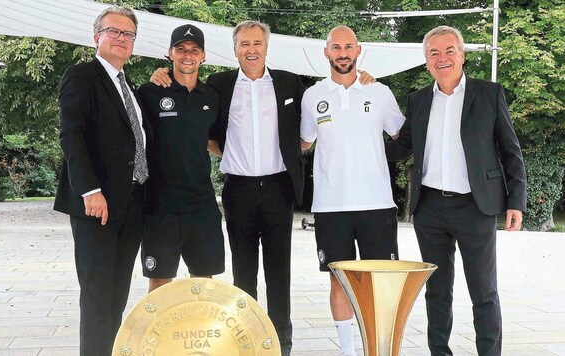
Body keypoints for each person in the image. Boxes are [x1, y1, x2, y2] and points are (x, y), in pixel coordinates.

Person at [150, 21, 374, 354]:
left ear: (266, 47)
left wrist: (362, 79)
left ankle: (282, 346)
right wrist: (161, 76)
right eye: (243, 44)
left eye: (257, 43)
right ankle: (248, 343)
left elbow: (316, 117)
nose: (251, 49)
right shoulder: (219, 85)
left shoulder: (290, 83)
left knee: (278, 273)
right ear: (235, 49)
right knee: (243, 276)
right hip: (238, 189)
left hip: (278, 188)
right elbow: (203, 132)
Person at [385, 25, 527, 356]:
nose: (442, 58)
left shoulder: (489, 94)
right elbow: (402, 147)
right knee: (436, 290)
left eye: (449, 51)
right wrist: (358, 135)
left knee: (484, 291)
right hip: (430, 208)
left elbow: (511, 151)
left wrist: (515, 201)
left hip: (476, 207)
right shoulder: (418, 100)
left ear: (462, 55)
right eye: (434, 53)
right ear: (426, 62)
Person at [300, 25, 405, 356]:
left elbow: (402, 136)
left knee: (381, 282)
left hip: (377, 203)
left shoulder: (380, 92)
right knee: (339, 281)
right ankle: (348, 352)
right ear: (326, 52)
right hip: (331, 206)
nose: (342, 53)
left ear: (358, 50)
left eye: (348, 47)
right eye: (336, 47)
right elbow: (303, 142)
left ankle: (379, 348)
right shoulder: (312, 96)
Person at [53, 5, 150, 356]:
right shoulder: (81, 75)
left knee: (116, 297)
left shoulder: (130, 86)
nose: (122, 39)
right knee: (96, 298)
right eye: (114, 31)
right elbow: (71, 136)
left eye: (129, 34)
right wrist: (90, 190)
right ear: (97, 36)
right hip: (97, 206)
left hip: (131, 206)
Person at [137, 24, 225, 293]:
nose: (188, 55)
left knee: (203, 282)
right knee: (161, 283)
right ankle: (157, 337)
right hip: (160, 206)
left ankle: (200, 335)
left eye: (194, 50)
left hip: (202, 204)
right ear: (170, 53)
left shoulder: (211, 96)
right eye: (181, 49)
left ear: (203, 56)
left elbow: (216, 142)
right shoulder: (150, 92)